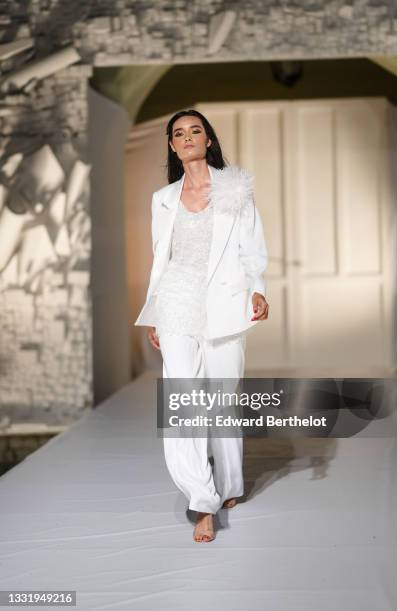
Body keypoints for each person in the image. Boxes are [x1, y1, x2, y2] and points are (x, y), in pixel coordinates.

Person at [134, 109, 269, 543]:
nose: (188, 137)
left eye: (196, 130)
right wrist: (154, 310)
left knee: (222, 396)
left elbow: (253, 246)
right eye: (179, 133)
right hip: (177, 299)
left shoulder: (235, 188)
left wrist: (258, 288)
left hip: (225, 300)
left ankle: (229, 483)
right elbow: (162, 259)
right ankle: (202, 498)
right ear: (172, 145)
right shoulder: (162, 198)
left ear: (208, 140)